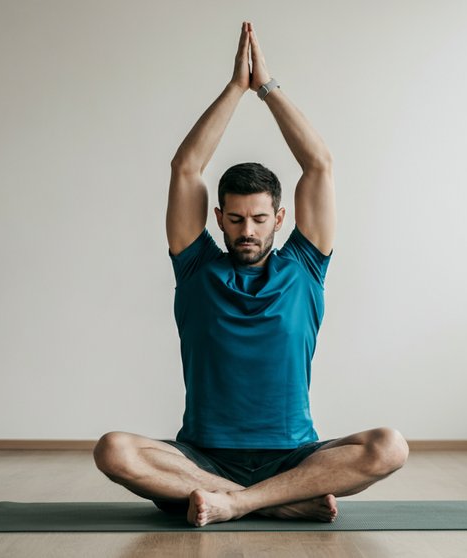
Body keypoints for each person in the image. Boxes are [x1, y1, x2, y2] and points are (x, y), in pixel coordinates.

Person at [92, 22, 408, 527]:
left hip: (294, 455)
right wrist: (234, 89)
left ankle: (234, 502)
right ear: (218, 217)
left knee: (390, 446)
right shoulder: (195, 265)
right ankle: (274, 500)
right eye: (235, 219)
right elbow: (186, 169)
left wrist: (266, 87)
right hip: (203, 457)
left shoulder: (306, 266)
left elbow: (319, 164)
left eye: (260, 220)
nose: (247, 231)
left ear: (280, 219)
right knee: (113, 451)